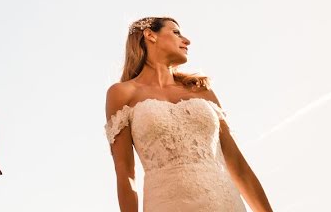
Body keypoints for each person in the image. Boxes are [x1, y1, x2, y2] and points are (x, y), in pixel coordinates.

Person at [104, 17, 273, 212]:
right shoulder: (122, 93)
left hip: (224, 202)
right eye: (176, 33)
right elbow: (125, 172)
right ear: (150, 35)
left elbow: (237, 164)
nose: (187, 41)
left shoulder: (202, 91)